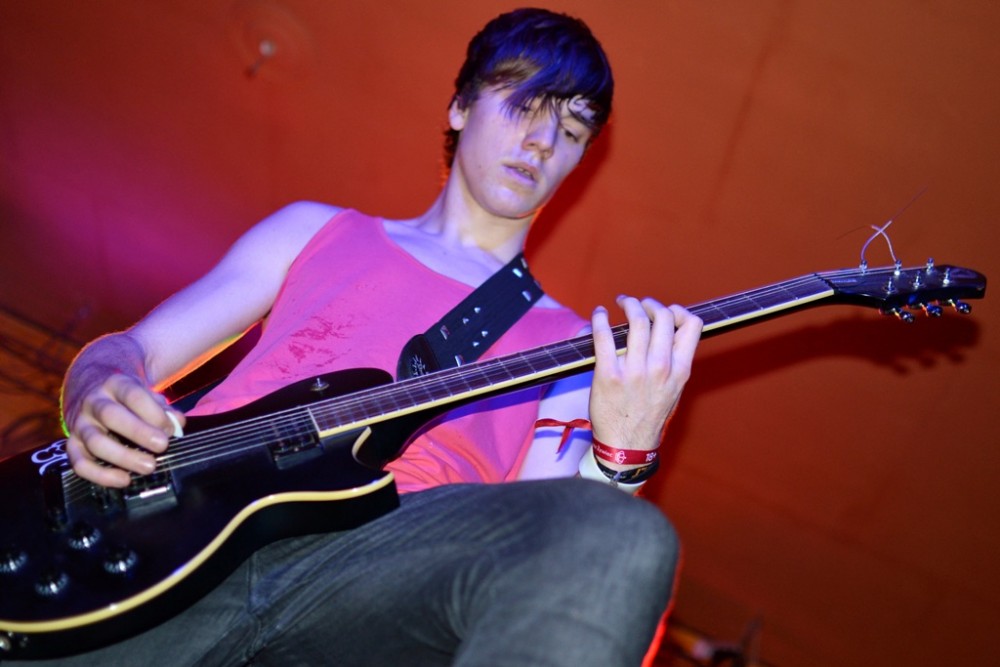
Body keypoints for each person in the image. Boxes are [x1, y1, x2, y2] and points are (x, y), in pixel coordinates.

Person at [47, 7, 702, 666]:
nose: (542, 143)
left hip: (382, 573)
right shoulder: (314, 230)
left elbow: (554, 537)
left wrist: (625, 453)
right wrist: (99, 388)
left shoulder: (575, 346)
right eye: (524, 106)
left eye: (571, 130)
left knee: (622, 533)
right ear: (459, 107)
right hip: (190, 526)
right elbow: (133, 351)